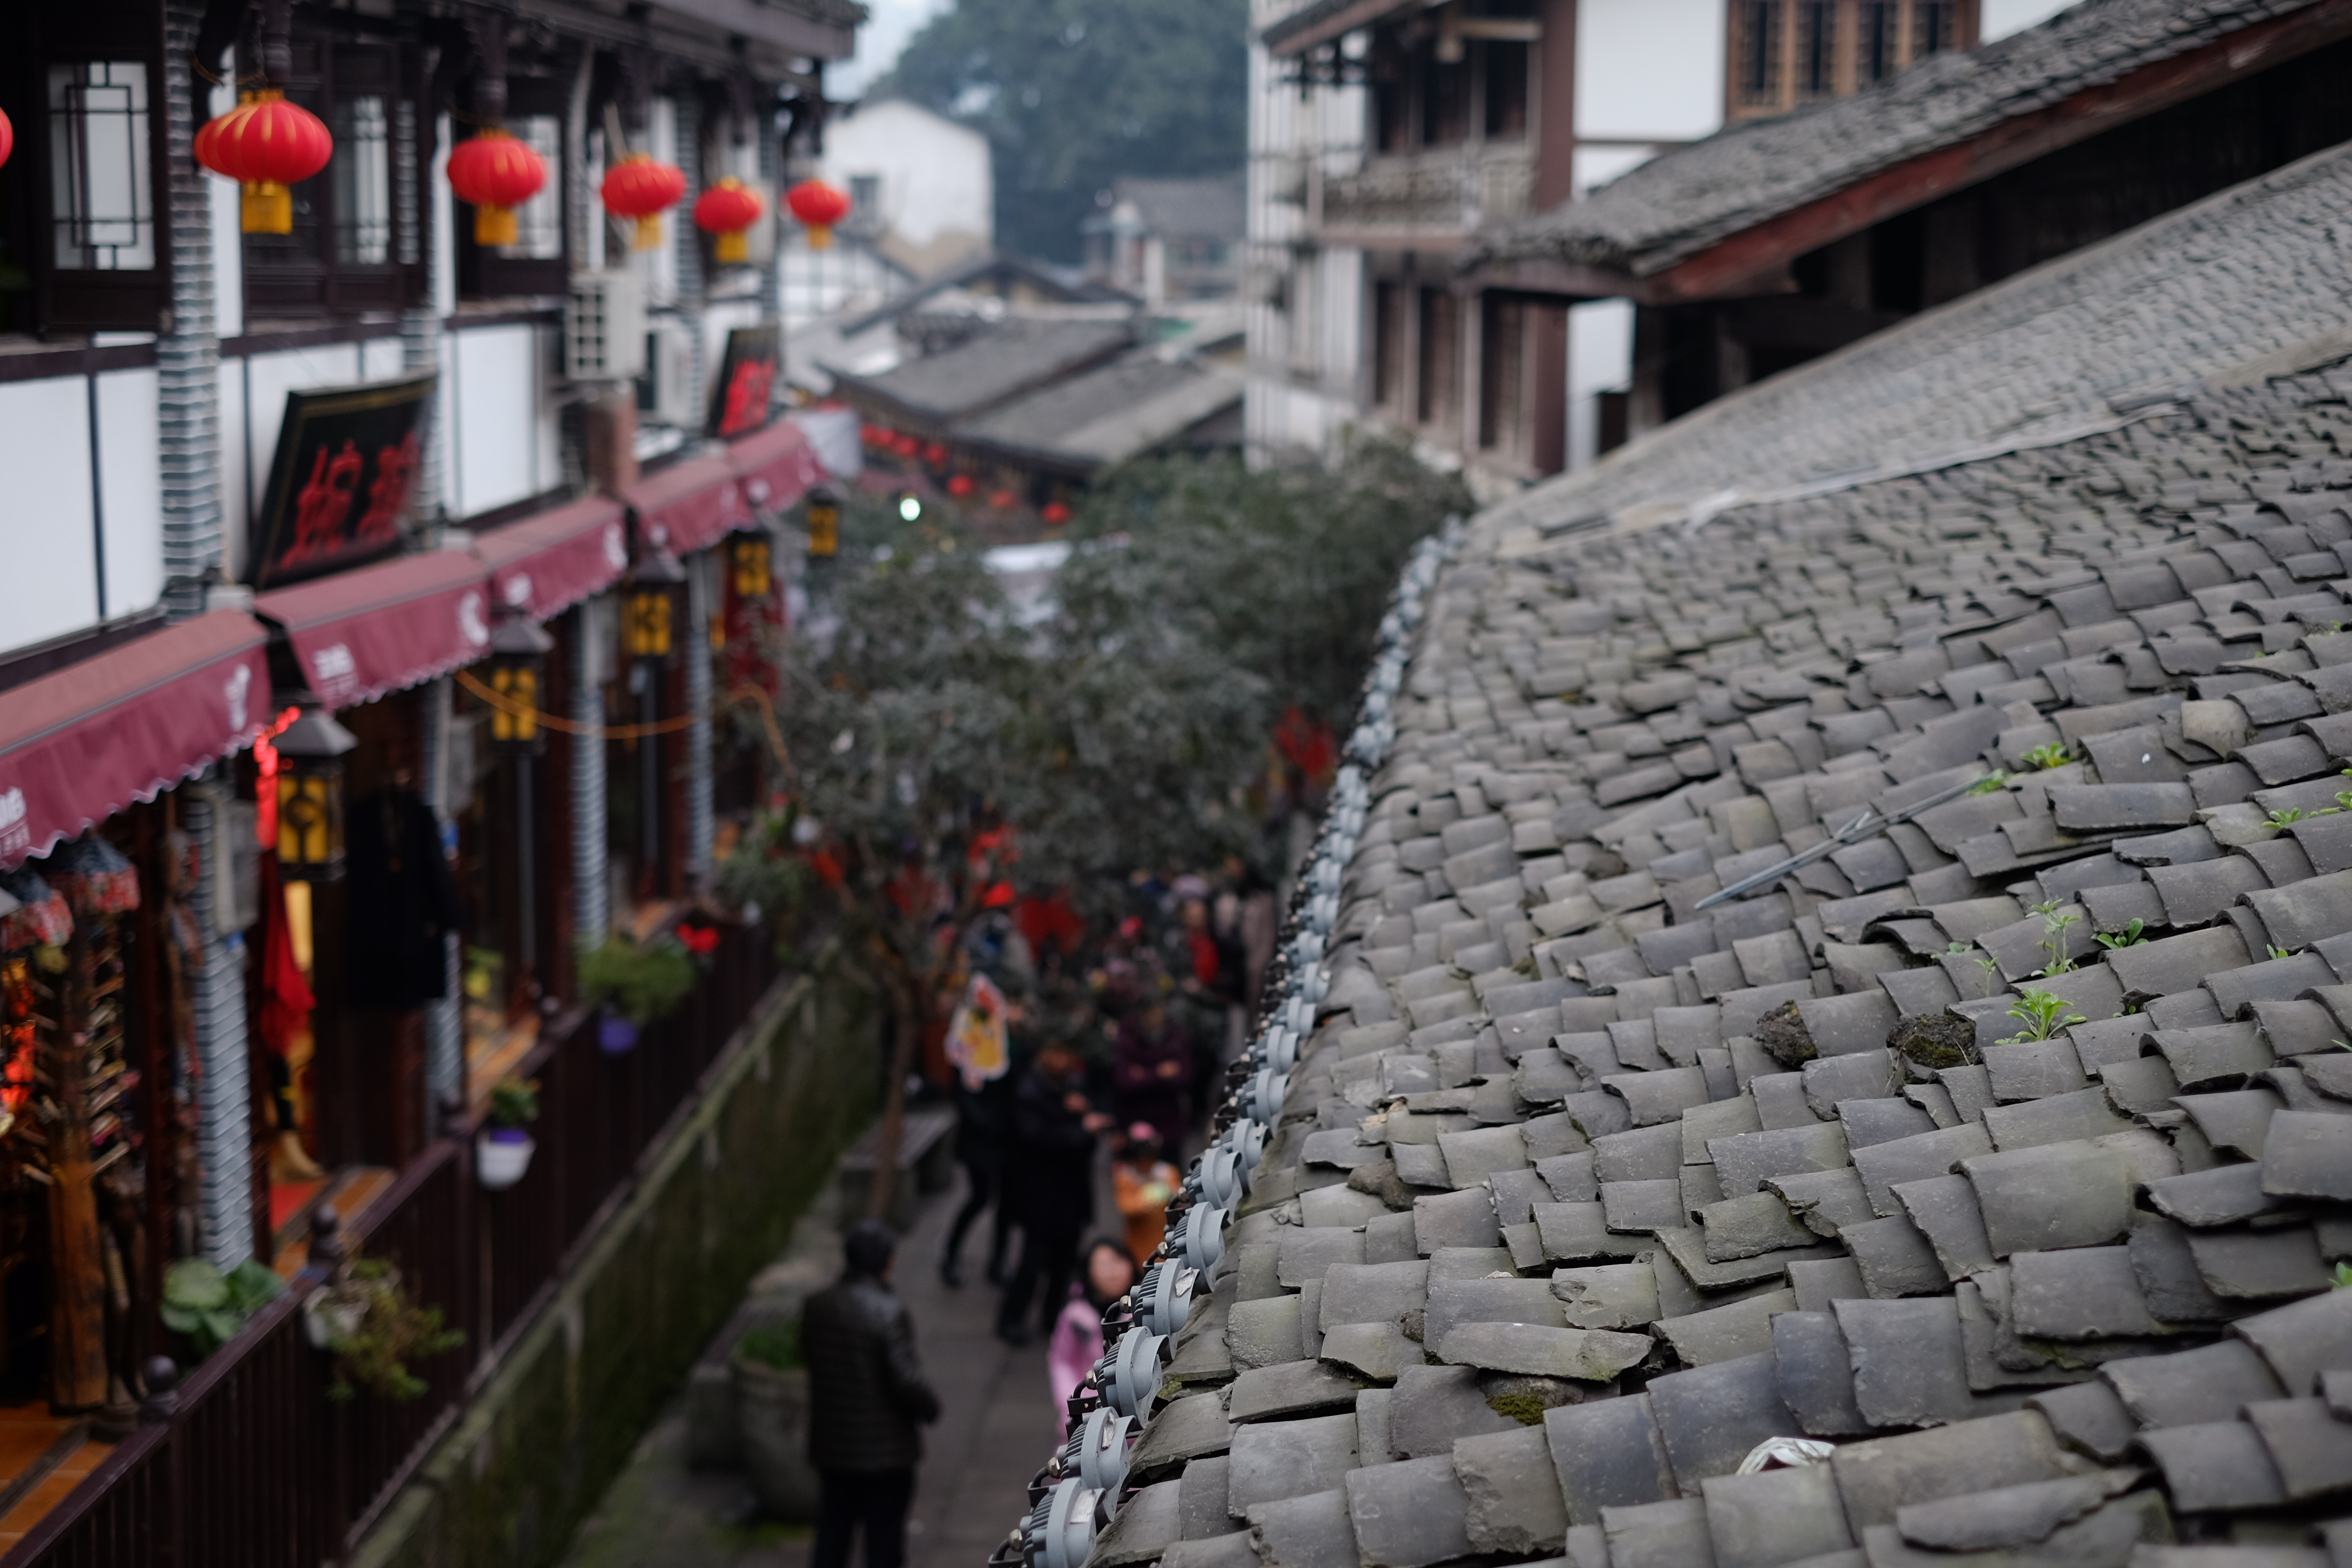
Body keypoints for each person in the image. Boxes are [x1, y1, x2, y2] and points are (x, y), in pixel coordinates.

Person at [802, 1220, 942, 1568]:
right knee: (884, 1542)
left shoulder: (817, 1306)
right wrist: (930, 1408)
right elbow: (906, 1380)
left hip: (834, 1447)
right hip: (885, 1456)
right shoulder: (887, 1312)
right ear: (886, 1261)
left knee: (833, 1535)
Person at [997, 1041, 1110, 1345]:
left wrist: (1085, 1118)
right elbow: (1036, 1139)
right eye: (1057, 1053)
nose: (1064, 1060)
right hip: (1041, 1194)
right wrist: (1081, 1130)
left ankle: (1053, 1318)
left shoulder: (1072, 1086)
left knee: (1064, 1261)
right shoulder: (1029, 1092)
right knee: (1033, 1261)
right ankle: (1012, 1318)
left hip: (1070, 1192)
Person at [1047, 1240, 1136, 1431]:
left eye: (1118, 1261)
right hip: (1091, 1419)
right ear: (1088, 1273)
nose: (1113, 1272)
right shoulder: (1074, 1316)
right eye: (1103, 1265)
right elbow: (1061, 1362)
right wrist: (1072, 1405)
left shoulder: (1144, 1309)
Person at [1112, 994, 1190, 1163]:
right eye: (1150, 1012)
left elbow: (1186, 1074)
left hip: (1169, 1127)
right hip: (1137, 1130)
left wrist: (1144, 1075)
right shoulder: (1127, 1039)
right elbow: (1126, 1082)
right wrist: (1159, 1073)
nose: (1156, 1016)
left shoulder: (1174, 1034)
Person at [1111, 1124, 1180, 1265]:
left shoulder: (1167, 1172)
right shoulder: (1125, 1177)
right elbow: (1126, 1207)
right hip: (1139, 1247)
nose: (1145, 1161)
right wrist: (1148, 1196)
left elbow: (1181, 1203)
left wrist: (1175, 1193)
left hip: (1167, 1240)